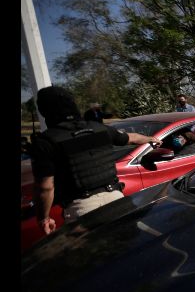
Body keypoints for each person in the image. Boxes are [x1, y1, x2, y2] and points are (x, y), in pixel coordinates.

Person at [29, 86, 162, 235]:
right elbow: (131, 138)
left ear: (44, 110)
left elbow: (45, 188)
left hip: (83, 211)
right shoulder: (99, 128)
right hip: (117, 201)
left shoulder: (45, 142)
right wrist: (150, 139)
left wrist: (44, 218)